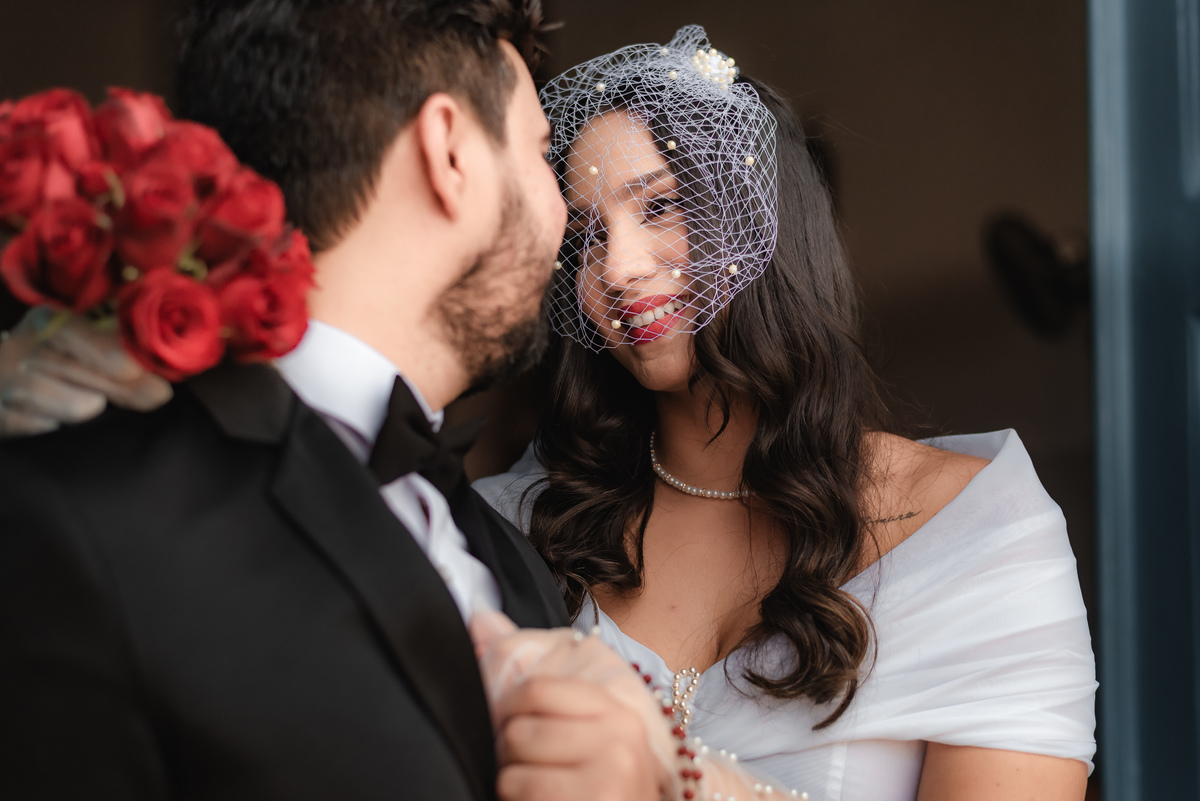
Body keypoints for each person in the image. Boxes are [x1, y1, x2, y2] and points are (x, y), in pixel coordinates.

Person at [0, 23, 1098, 801]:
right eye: (581, 230)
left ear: (773, 230)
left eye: (661, 205)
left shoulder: (974, 534)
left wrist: (678, 786)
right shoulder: (509, 526)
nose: (614, 265)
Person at [0, 2, 668, 799]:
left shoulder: (510, 554)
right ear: (449, 150)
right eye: (539, 152)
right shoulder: (70, 522)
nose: (564, 226)